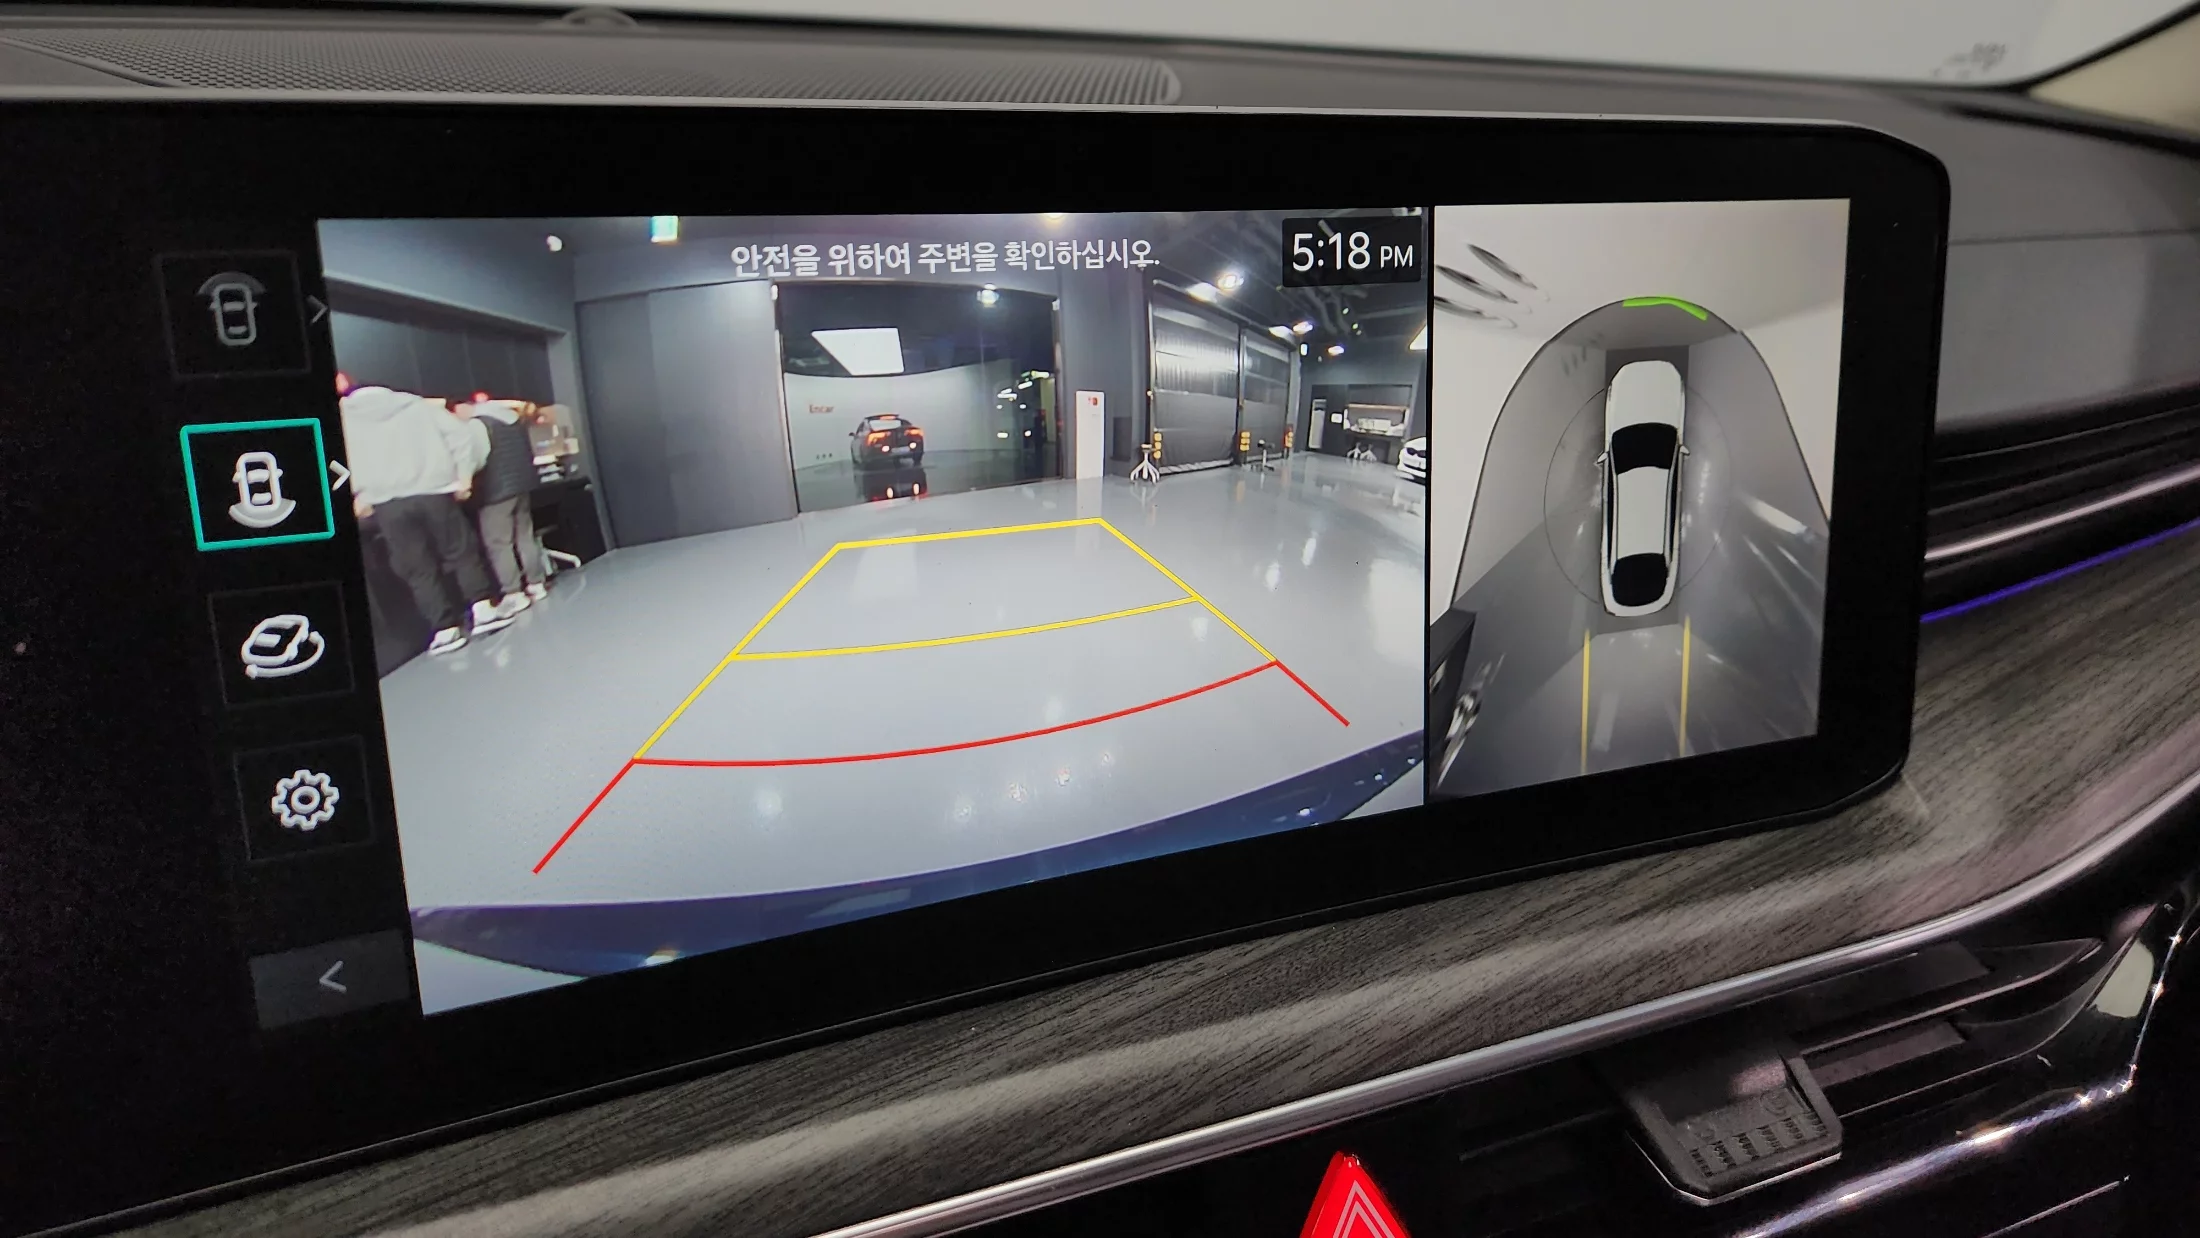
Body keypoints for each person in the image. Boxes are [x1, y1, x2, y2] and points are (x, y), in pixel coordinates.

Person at [339, 385, 510, 656]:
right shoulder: (418, 406)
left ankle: (445, 629)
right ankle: (483, 610)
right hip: (435, 491)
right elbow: (461, 436)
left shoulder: (344, 418)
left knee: (417, 568)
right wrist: (463, 475)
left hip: (387, 503)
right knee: (460, 551)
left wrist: (360, 493)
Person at [462, 397, 548, 610]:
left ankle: (513, 592)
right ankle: (536, 583)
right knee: (524, 536)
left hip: (495, 491)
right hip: (522, 486)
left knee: (499, 543)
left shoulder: (478, 424)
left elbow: (475, 459)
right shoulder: (514, 420)